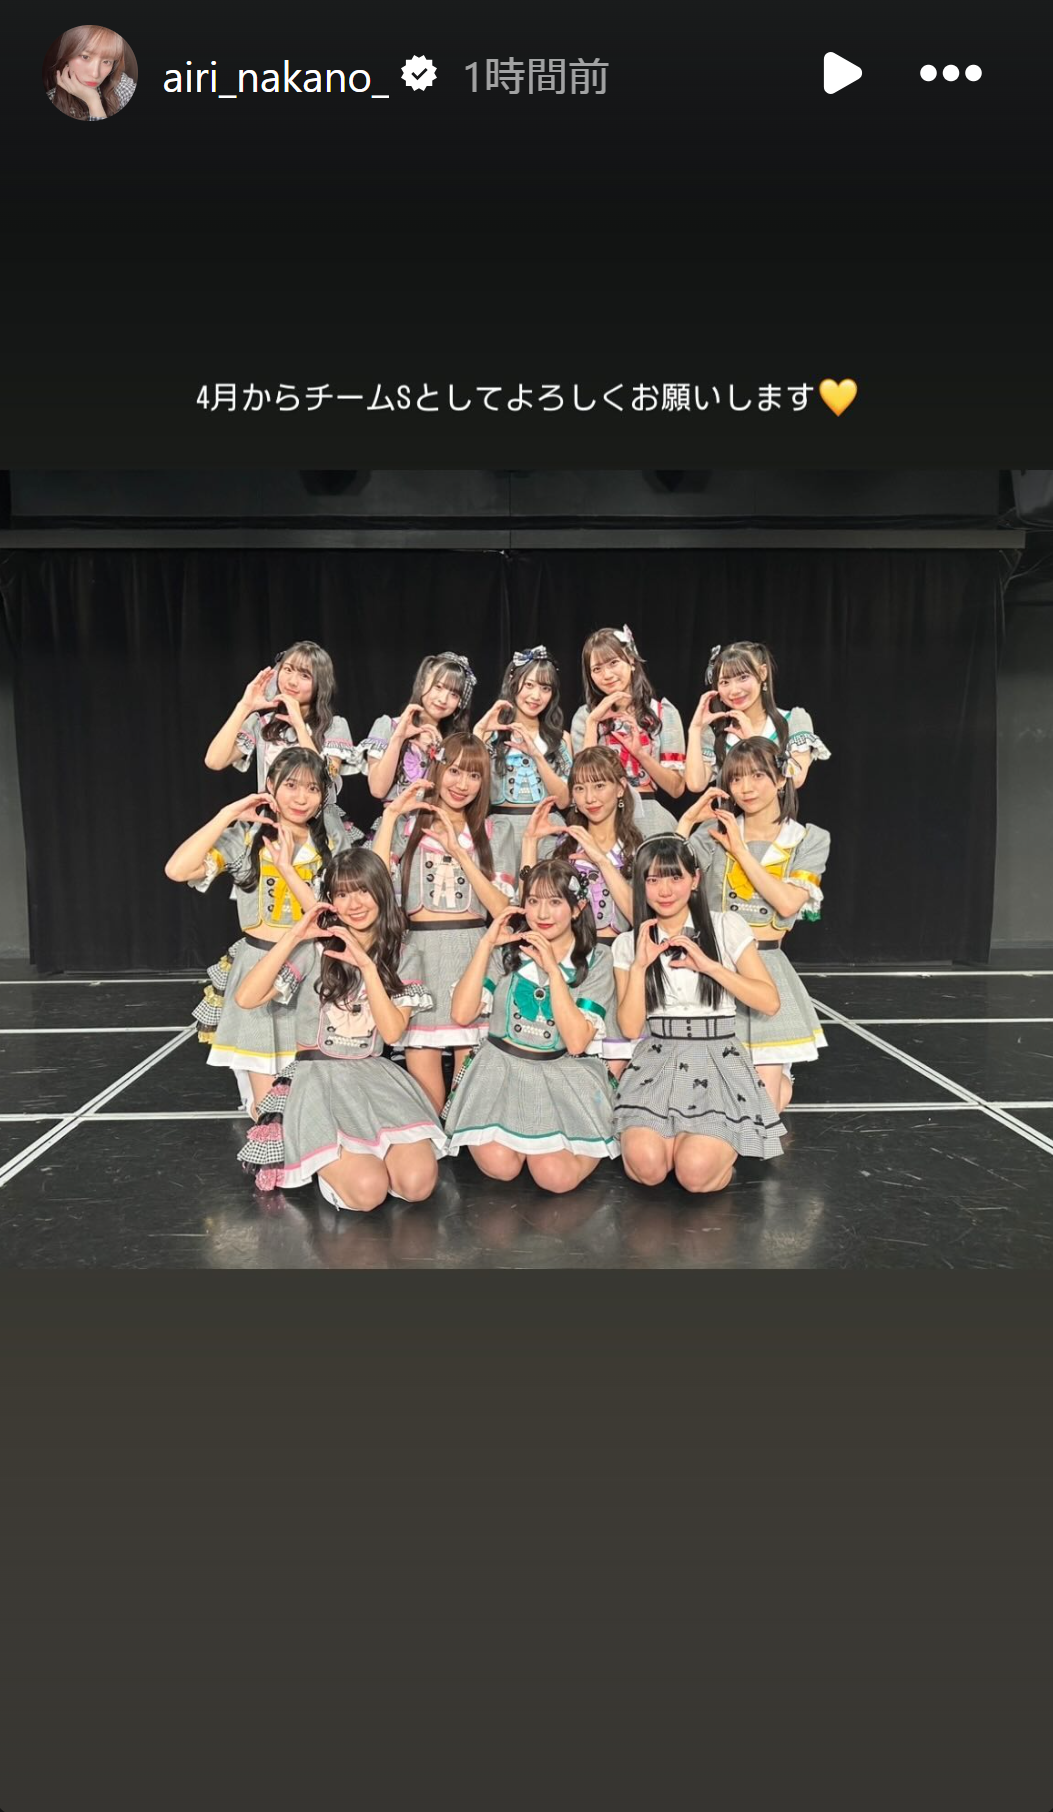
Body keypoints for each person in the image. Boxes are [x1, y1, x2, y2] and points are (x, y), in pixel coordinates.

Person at [234, 849, 446, 1212]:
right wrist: (294, 935)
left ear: (381, 891)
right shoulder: (315, 950)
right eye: (342, 894)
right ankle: (334, 1166)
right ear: (331, 900)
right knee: (368, 1192)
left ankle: (363, 1157)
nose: (354, 903)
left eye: (362, 890)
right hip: (318, 1080)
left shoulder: (404, 956)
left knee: (418, 1185)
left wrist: (367, 966)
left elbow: (392, 1033)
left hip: (373, 1079)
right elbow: (246, 997)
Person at [164, 747, 348, 1115]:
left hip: (314, 968)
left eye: (312, 788)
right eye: (291, 785)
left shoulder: (331, 840)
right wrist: (227, 814)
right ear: (270, 785)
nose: (301, 797)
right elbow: (177, 870)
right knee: (269, 1107)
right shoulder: (246, 839)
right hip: (258, 967)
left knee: (317, 1097)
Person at [612, 835, 785, 1194]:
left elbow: (769, 1001)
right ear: (641, 885)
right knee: (647, 1168)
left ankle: (720, 1142)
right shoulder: (628, 943)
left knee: (694, 1174)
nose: (664, 890)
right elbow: (629, 1028)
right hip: (657, 1060)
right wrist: (640, 966)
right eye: (653, 879)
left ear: (695, 879)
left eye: (675, 877)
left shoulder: (725, 927)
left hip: (716, 1060)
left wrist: (710, 967)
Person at [443, 859, 620, 1192]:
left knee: (555, 1177)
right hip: (499, 1071)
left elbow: (576, 1042)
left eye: (555, 902)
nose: (542, 913)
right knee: (501, 1167)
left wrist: (553, 971)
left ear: (578, 907)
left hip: (561, 1073)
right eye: (534, 901)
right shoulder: (508, 948)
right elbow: (462, 1013)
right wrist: (486, 945)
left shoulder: (596, 958)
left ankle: (568, 1139)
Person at [679, 737, 830, 1113]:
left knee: (762, 1110)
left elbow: (787, 903)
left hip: (766, 966)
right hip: (714, 964)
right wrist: (687, 821)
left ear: (780, 779)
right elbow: (664, 874)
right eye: (736, 778)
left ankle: (781, 1084)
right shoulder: (713, 832)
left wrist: (740, 851)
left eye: (757, 776)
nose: (745, 787)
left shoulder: (807, 839)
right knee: (705, 1102)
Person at [369, 732, 517, 1114]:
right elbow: (375, 883)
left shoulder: (495, 832)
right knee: (429, 1106)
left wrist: (460, 853)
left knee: (468, 1102)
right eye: (454, 771)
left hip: (474, 955)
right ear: (437, 769)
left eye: (474, 775)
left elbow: (502, 907)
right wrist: (390, 817)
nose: (462, 784)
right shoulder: (407, 827)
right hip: (419, 957)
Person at [520, 747, 641, 1075]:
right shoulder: (562, 846)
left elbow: (639, 916)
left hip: (621, 964)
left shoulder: (637, 848)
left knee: (613, 1078)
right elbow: (530, 905)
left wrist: (601, 859)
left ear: (620, 788)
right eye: (580, 788)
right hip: (573, 962)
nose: (590, 797)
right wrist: (530, 844)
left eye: (599, 785)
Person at [204, 642, 360, 843]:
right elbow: (214, 761)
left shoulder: (334, 726)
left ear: (320, 683)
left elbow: (326, 780)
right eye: (287, 670)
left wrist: (299, 726)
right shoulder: (263, 724)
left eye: (305, 675)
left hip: (319, 829)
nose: (292, 681)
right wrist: (244, 706)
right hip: (272, 824)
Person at [570, 624, 685, 835]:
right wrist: (593, 723)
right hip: (602, 818)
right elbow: (581, 780)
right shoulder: (585, 717)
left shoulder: (662, 713)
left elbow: (676, 788)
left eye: (613, 663)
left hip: (649, 815)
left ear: (631, 660)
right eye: (597, 669)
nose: (607, 675)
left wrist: (641, 754)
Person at [685, 640, 830, 794]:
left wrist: (753, 741)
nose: (734, 690)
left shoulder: (792, 720)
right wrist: (695, 730)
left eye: (743, 677)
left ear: (762, 673)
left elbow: (796, 778)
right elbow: (695, 784)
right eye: (725, 682)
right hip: (729, 810)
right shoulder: (716, 732)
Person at [472, 645, 573, 865]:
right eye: (529, 685)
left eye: (545, 688)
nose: (536, 696)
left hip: (547, 830)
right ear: (513, 682)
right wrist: (479, 733)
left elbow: (565, 800)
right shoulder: (490, 733)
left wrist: (537, 755)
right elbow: (470, 786)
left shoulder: (560, 739)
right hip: (500, 831)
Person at [359, 651, 476, 825]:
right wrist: (398, 738)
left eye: (454, 694)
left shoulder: (455, 741)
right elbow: (378, 789)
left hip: (437, 827)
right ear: (422, 682)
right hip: (395, 827)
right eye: (438, 687)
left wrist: (442, 754)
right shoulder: (388, 726)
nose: (443, 699)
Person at [44, 25, 135, 119]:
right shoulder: (52, 100)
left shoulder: (119, 84)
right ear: (67, 56)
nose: (95, 74)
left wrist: (93, 102)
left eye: (106, 62)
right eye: (85, 57)